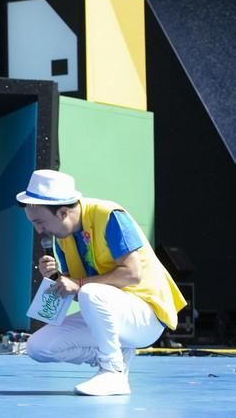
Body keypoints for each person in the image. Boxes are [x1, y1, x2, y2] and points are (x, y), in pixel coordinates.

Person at [16, 169, 186, 396]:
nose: (39, 231)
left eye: (40, 222)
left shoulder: (109, 215)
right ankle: (116, 355)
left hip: (146, 315)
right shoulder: (63, 240)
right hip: (108, 310)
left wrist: (77, 283)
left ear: (63, 212)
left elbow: (132, 274)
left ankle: (112, 372)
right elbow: (76, 290)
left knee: (91, 292)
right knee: (38, 347)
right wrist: (57, 278)